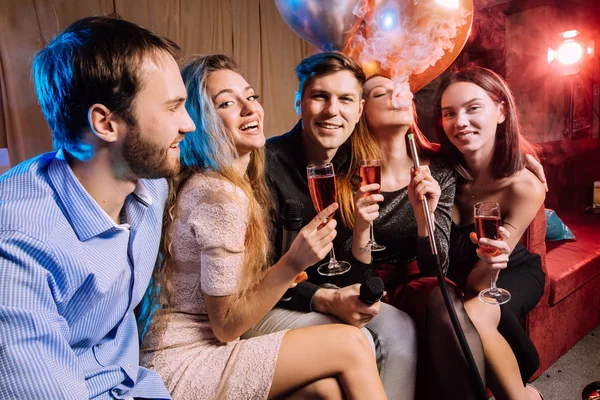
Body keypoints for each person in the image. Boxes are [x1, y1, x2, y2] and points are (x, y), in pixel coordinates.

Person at [139, 54, 386, 400]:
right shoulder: (219, 194)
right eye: (226, 102)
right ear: (200, 120)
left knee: (325, 391)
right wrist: (293, 262)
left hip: (202, 345)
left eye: (251, 97)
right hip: (183, 359)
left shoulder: (230, 185)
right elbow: (225, 327)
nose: (248, 108)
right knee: (352, 343)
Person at [0, 16, 196, 399]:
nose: (188, 123)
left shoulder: (149, 183)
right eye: (172, 107)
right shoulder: (16, 245)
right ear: (105, 123)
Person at [243, 52, 418, 399]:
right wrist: (325, 298)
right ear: (299, 102)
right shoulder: (262, 166)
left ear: (359, 110)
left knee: (401, 328)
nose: (332, 111)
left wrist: (363, 230)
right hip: (268, 303)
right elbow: (252, 276)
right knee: (362, 343)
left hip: (327, 296)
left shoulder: (353, 165)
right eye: (320, 96)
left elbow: (352, 275)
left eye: (345, 100)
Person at [337, 73, 486, 400]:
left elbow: (437, 269)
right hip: (367, 284)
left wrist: (425, 219)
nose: (396, 97)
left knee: (443, 297)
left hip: (420, 282)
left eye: (400, 90)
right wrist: (362, 228)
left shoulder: (439, 170)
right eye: (381, 93)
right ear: (363, 111)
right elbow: (347, 270)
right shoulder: (344, 176)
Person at [435, 66, 546, 400]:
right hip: (461, 276)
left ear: (500, 110)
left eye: (473, 108)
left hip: (509, 273)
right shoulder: (438, 169)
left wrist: (490, 260)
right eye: (449, 113)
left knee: (473, 309)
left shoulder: (524, 186)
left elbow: (480, 284)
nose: (460, 122)